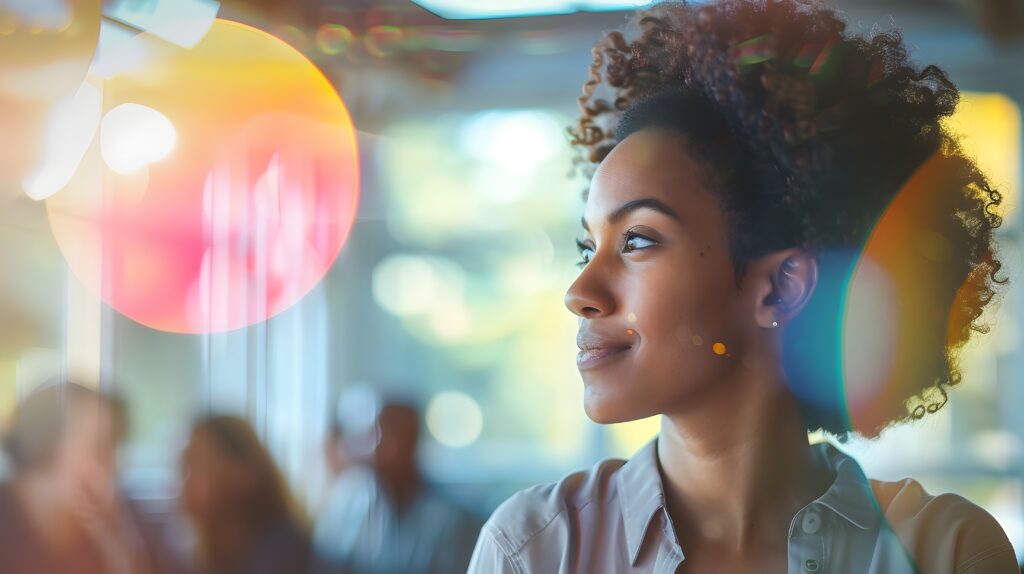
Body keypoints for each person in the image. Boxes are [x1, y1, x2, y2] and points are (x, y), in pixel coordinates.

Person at [468, 1, 1018, 572]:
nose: (579, 290)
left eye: (635, 240)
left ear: (779, 289)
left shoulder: (945, 552)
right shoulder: (534, 548)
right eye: (590, 247)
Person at [0, 381, 165, 574]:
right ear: (48, 448)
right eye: (99, 447)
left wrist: (117, 541)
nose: (113, 465)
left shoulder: (104, 522)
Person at [313, 395, 482, 574]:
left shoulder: (451, 521)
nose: (377, 446)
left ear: (413, 441)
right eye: (374, 433)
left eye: (388, 434)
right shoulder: (355, 510)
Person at [180, 415, 311, 574]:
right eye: (184, 467)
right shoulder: (214, 552)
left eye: (198, 465)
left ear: (243, 472)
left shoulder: (283, 552)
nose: (185, 480)